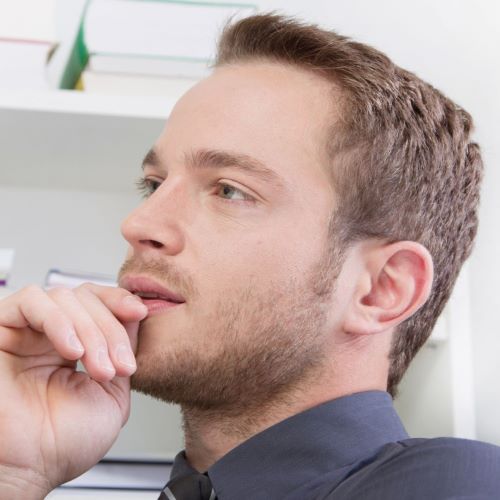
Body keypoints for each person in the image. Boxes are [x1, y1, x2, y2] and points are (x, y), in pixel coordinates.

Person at [1, 13, 499, 500]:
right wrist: (16, 476)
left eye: (229, 191)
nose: (139, 224)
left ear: (382, 289)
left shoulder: (459, 482)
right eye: (152, 185)